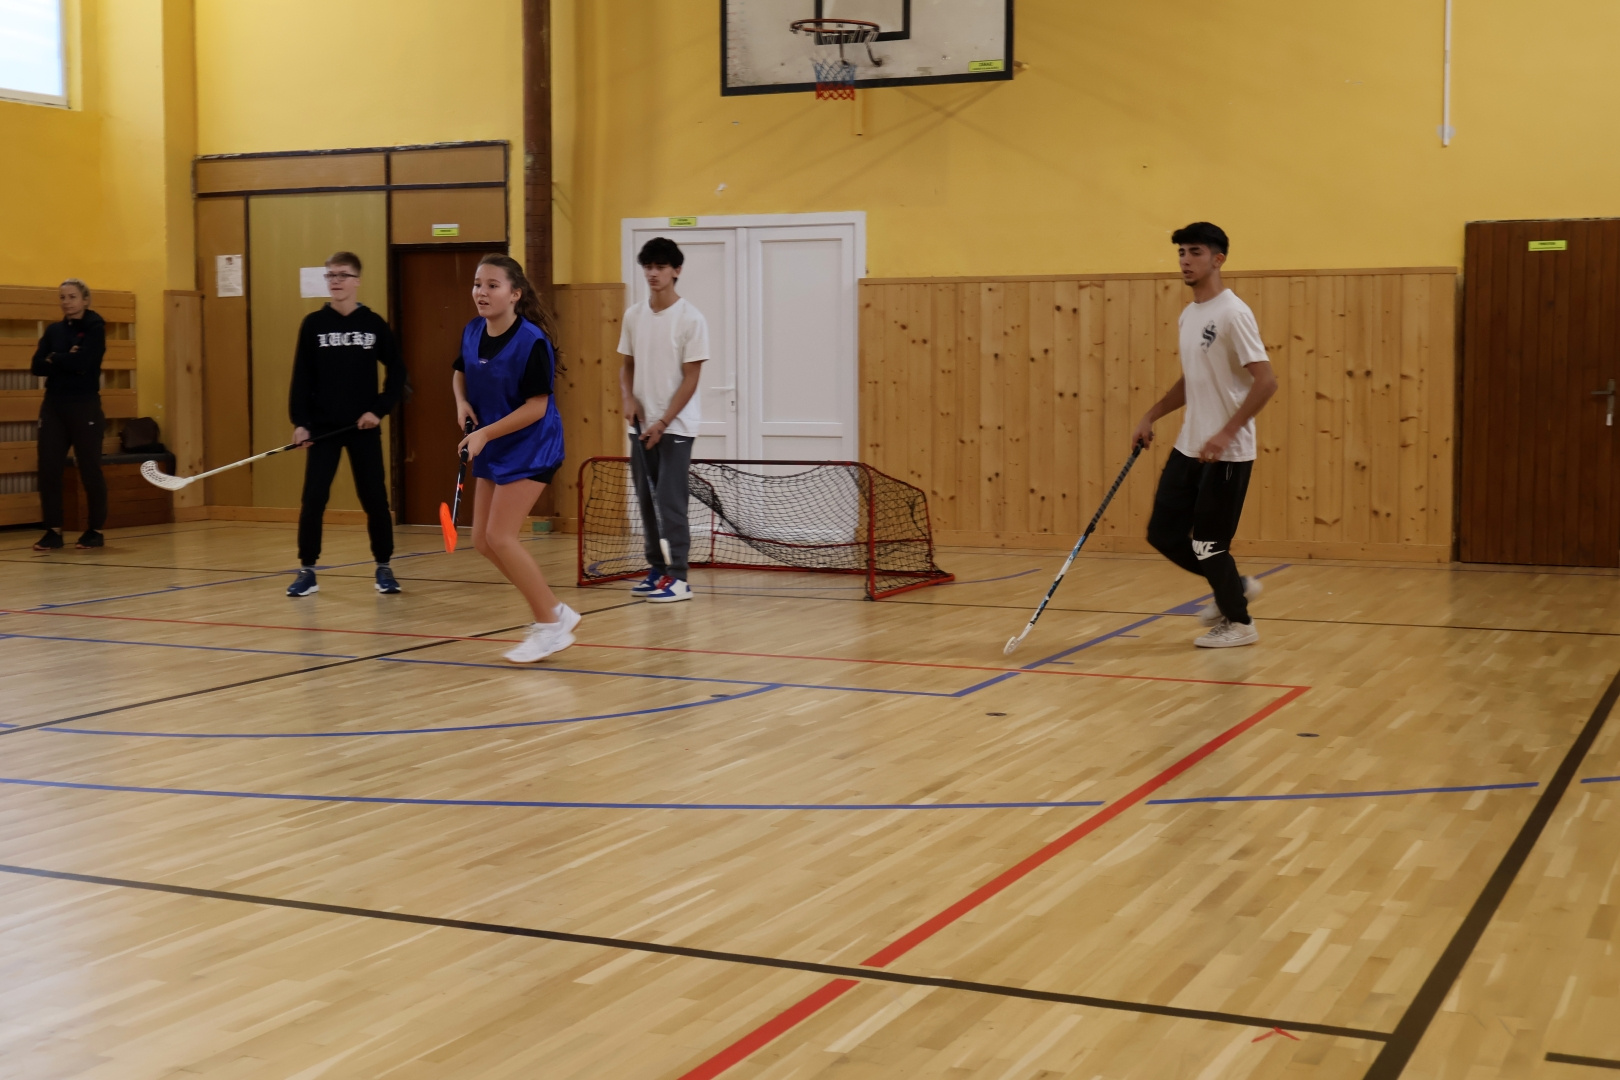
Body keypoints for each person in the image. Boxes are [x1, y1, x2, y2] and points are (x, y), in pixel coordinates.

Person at [1132, 222, 1278, 648]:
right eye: (1181, 252)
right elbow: (1193, 378)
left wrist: (1226, 433)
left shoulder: (1233, 313)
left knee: (1209, 544)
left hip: (1226, 453)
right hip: (1189, 446)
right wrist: (1151, 415)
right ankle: (1235, 587)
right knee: (1163, 533)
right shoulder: (1189, 315)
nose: (1185, 260)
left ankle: (1240, 624)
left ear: (1218, 259)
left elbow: (1266, 381)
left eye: (1194, 252)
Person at [453, 254, 577, 663]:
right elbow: (460, 371)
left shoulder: (531, 342)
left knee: (502, 536)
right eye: (478, 284)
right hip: (494, 443)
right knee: (482, 540)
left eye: (492, 285)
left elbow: (537, 407)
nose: (481, 292)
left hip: (532, 446)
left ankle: (550, 626)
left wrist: (485, 433)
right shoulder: (473, 331)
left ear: (514, 294)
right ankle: (554, 610)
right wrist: (461, 403)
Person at [285, 251, 405, 598]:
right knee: (314, 498)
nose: (335, 281)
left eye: (342, 275)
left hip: (362, 429)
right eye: (330, 275)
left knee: (374, 498)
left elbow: (398, 372)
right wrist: (301, 423)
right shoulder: (313, 324)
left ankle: (384, 566)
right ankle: (307, 570)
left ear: (357, 281)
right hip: (323, 429)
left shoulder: (373, 324)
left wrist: (378, 411)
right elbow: (301, 378)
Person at [617, 237, 709, 603]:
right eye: (648, 267)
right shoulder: (633, 316)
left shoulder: (691, 319)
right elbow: (626, 366)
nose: (653, 274)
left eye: (660, 267)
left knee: (671, 502)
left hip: (676, 428)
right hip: (640, 426)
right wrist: (628, 399)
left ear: (676, 271)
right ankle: (656, 570)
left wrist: (664, 422)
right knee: (645, 501)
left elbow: (691, 377)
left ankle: (679, 578)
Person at [31, 279, 107, 551]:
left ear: (85, 300)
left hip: (84, 404)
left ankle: (95, 530)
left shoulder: (95, 327)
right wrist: (66, 358)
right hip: (54, 405)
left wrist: (55, 358)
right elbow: (37, 366)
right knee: (48, 467)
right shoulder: (54, 330)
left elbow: (85, 362)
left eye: (72, 297)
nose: (66, 302)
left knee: (89, 467)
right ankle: (53, 530)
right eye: (62, 297)